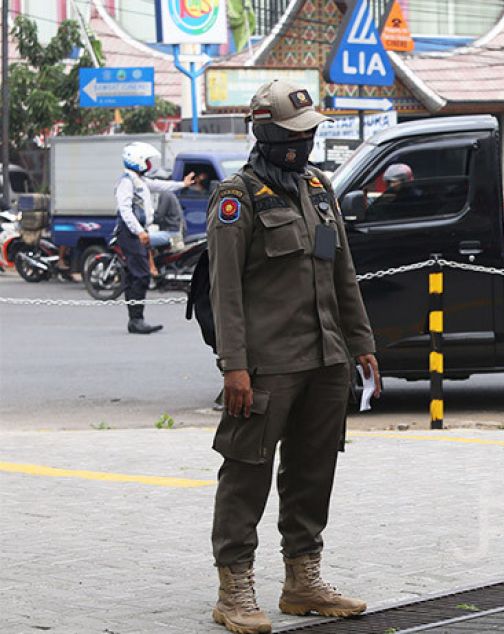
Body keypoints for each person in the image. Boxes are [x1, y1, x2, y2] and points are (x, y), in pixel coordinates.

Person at [206, 79, 382, 634]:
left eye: (308, 135)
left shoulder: (318, 189)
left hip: (326, 359)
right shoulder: (237, 198)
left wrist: (362, 342)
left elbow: (340, 271)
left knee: (313, 471)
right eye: (293, 135)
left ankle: (302, 581)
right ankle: (233, 588)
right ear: (266, 133)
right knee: (247, 474)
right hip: (266, 366)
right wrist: (234, 365)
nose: (303, 144)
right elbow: (225, 290)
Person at [115, 142, 194, 334]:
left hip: (139, 232)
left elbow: (160, 185)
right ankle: (136, 320)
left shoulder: (140, 181)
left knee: (136, 275)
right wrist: (139, 232)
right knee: (140, 275)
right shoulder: (126, 182)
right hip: (131, 233)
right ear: (137, 161)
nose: (149, 165)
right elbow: (125, 210)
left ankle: (135, 319)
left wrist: (182, 184)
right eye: (147, 161)